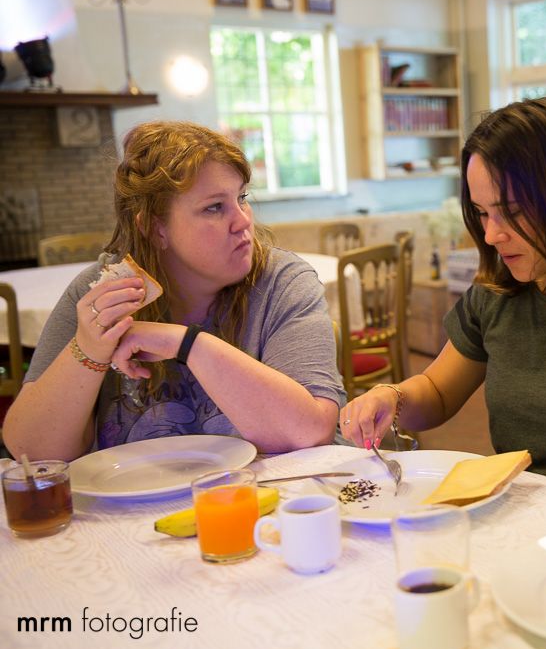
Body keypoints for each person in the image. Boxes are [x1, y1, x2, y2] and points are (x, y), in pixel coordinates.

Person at [341, 98, 546, 499]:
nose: (490, 235)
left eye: (513, 212)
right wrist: (392, 397)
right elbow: (437, 391)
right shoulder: (498, 292)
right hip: (518, 507)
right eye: (482, 213)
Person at [3, 121, 344, 460]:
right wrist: (89, 350)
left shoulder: (282, 283)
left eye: (241, 198)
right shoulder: (103, 295)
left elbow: (309, 433)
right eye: (214, 207)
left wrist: (186, 344)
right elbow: (31, 452)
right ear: (155, 228)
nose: (243, 221)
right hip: (132, 494)